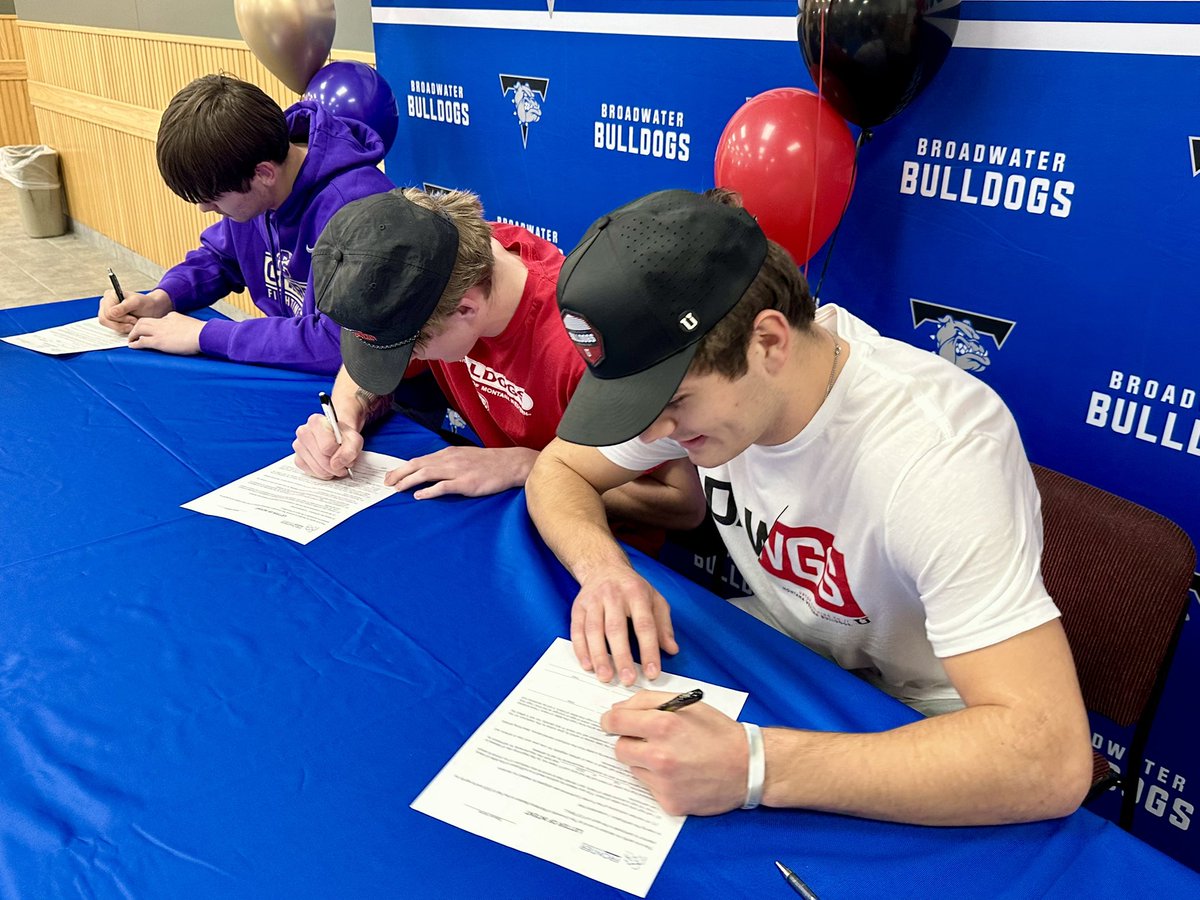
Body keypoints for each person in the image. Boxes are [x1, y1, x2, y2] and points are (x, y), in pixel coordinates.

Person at [523, 188, 1093, 825]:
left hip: (932, 709)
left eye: (673, 403)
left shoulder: (936, 451)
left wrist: (756, 767)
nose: (653, 432)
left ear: (768, 342)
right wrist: (604, 570)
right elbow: (560, 467)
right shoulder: (694, 370)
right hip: (787, 656)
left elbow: (1048, 759)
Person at [291, 187, 706, 536]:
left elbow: (683, 504)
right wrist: (344, 419)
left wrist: (532, 466)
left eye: (411, 348)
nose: (408, 361)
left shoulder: (585, 345)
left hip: (602, 551)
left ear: (466, 310)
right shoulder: (437, 265)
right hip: (505, 513)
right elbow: (366, 374)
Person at [96, 74, 393, 375]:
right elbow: (220, 258)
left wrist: (203, 335)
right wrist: (162, 298)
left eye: (214, 198)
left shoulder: (360, 210)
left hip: (379, 400)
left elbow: (341, 345)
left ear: (263, 174)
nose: (204, 208)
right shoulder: (254, 185)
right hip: (297, 374)